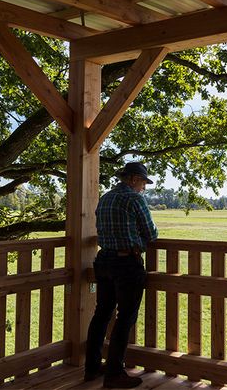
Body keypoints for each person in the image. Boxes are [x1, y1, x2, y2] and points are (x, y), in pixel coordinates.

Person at [84, 162, 158, 388]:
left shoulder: (105, 198)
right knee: (125, 317)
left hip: (103, 260)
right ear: (134, 179)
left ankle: (92, 367)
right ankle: (115, 373)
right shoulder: (134, 199)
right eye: (143, 182)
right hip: (126, 263)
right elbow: (151, 233)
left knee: (102, 314)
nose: (143, 188)